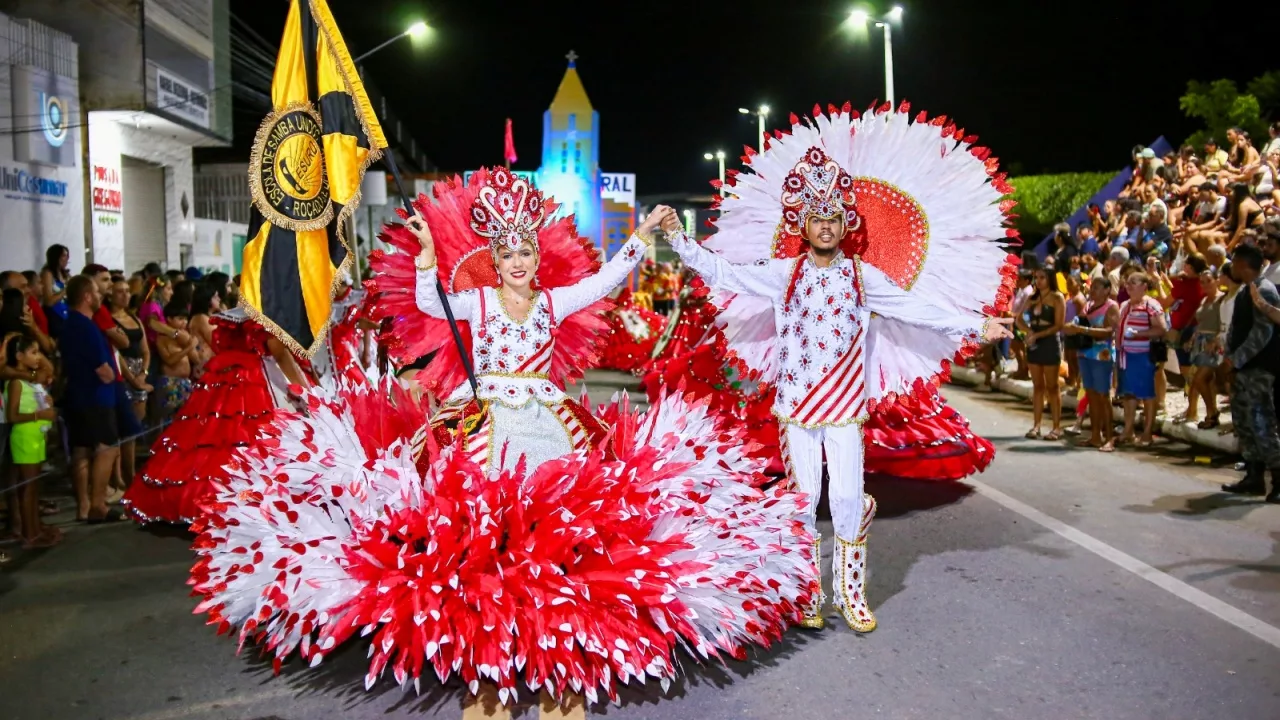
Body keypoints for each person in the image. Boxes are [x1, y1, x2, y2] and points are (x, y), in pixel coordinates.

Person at [194, 167, 816, 710]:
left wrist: (642, 237)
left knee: (569, 514)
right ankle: (483, 619)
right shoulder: (477, 301)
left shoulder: (555, 299)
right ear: (496, 255)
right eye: (509, 252)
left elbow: (606, 284)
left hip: (548, 415)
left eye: (527, 252)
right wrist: (428, 264)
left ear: (537, 258)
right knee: (474, 517)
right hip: (484, 412)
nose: (519, 261)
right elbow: (427, 306)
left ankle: (558, 612)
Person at [658, 109, 1014, 633]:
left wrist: (974, 325)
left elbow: (917, 308)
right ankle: (807, 592)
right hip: (799, 407)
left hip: (845, 408)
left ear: (844, 225)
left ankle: (851, 594)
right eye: (816, 218)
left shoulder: (863, 276)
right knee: (804, 502)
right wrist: (679, 241)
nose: (825, 226)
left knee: (845, 498)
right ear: (803, 225)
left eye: (833, 218)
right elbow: (725, 272)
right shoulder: (783, 275)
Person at [122, 308, 308, 525]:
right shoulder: (266, 317)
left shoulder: (232, 318)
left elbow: (220, 346)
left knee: (211, 438)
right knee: (248, 436)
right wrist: (307, 392)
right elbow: (280, 353)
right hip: (255, 381)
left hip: (225, 380)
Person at [57, 275, 125, 523]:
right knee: (107, 448)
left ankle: (83, 506)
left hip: (77, 395)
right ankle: (98, 503)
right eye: (97, 291)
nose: (100, 296)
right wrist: (108, 374)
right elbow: (103, 369)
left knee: (81, 450)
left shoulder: (68, 324)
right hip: (95, 397)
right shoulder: (86, 326)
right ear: (87, 296)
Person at [1222, 245, 1280, 503]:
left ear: (1243, 264)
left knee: (1262, 422)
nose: (1231, 268)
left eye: (1234, 263)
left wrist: (1235, 360)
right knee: (1244, 422)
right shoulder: (1247, 290)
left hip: (1259, 368)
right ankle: (1254, 476)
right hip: (1244, 368)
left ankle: (1277, 480)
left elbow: (1262, 334)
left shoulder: (1264, 290)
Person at [5, 335, 60, 549]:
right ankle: (29, 535)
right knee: (28, 487)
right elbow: (13, 416)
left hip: (35, 436)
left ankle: (35, 529)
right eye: (33, 352)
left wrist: (47, 405)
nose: (38, 357)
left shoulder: (30, 380)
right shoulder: (16, 383)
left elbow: (48, 369)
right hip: (24, 437)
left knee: (35, 486)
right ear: (19, 356)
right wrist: (40, 415)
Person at [1115, 272, 1168, 447]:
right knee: (1128, 393)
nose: (1129, 286)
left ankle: (1147, 432)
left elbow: (1161, 329)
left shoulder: (1151, 305)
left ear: (1144, 286)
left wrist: (1139, 334)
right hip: (1125, 355)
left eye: (1134, 283)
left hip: (1143, 355)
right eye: (1128, 283)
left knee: (1147, 394)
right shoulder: (1124, 305)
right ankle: (1128, 430)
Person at [1066, 276, 1119, 450]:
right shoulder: (1088, 306)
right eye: (1092, 287)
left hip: (1101, 355)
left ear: (1106, 290)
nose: (1093, 290)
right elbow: (1076, 323)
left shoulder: (1111, 307)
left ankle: (1109, 437)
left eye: (1097, 287)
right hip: (1085, 354)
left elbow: (1110, 331)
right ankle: (1096, 435)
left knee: (1103, 396)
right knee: (1092, 395)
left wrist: (1083, 330)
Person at [1017, 268, 1066, 440]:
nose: (1038, 281)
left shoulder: (1057, 297)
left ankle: (1056, 427)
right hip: (1034, 342)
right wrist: (1029, 331)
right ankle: (1036, 425)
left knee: (1052, 386)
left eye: (1042, 278)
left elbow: (1058, 325)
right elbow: (1018, 318)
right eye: (1036, 278)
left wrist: (1037, 335)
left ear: (1050, 279)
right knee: (1038, 385)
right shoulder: (1032, 298)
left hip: (1049, 341)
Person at [1186, 269, 1223, 428]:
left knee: (1199, 379)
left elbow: (1226, 322)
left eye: (1209, 280)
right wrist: (1192, 338)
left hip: (1213, 343)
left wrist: (1216, 339)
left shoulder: (1222, 299)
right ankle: (1210, 414)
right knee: (1206, 381)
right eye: (1202, 282)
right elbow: (1201, 322)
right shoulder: (1204, 300)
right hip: (1200, 342)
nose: (1205, 284)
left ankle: (1213, 412)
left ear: (1216, 280)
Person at [154, 305, 198, 419]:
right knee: (168, 420)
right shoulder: (161, 338)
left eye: (185, 319)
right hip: (169, 383)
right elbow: (170, 360)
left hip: (186, 382)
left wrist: (187, 341)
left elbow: (196, 359)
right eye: (180, 319)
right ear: (169, 319)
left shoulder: (185, 336)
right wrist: (188, 347)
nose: (184, 322)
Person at [40, 244, 71, 337]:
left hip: (67, 313)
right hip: (55, 314)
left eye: (67, 255)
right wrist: (66, 289)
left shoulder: (66, 274)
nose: (66, 259)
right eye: (63, 255)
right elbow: (48, 301)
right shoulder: (47, 273)